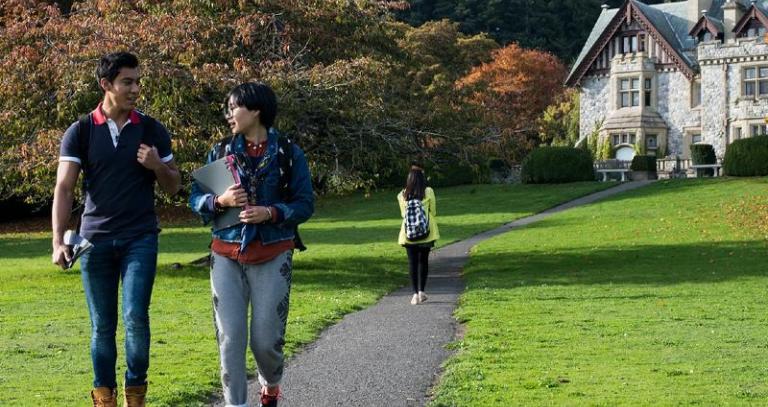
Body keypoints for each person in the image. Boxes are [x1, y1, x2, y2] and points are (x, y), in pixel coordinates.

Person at [51, 52, 181, 406]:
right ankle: (104, 399)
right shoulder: (80, 131)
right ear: (106, 85)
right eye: (128, 82)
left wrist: (156, 165)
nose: (135, 88)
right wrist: (57, 242)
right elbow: (64, 188)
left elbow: (174, 185)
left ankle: (135, 395)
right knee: (102, 327)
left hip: (141, 237)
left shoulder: (152, 129)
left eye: (138, 81)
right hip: (94, 242)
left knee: (136, 318)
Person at [189, 82, 314, 407]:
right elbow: (195, 199)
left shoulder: (289, 152)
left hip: (274, 254)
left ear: (255, 110)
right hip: (225, 255)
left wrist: (271, 213)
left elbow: (305, 205)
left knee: (265, 342)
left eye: (234, 107)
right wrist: (219, 200)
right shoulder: (218, 152)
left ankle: (270, 386)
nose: (229, 114)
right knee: (230, 340)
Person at [397, 163, 440, 305]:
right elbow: (433, 212)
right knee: (423, 261)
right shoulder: (428, 191)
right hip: (426, 233)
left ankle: (414, 294)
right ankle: (422, 291)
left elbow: (404, 214)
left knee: (412, 263)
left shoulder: (402, 194)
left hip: (408, 234)